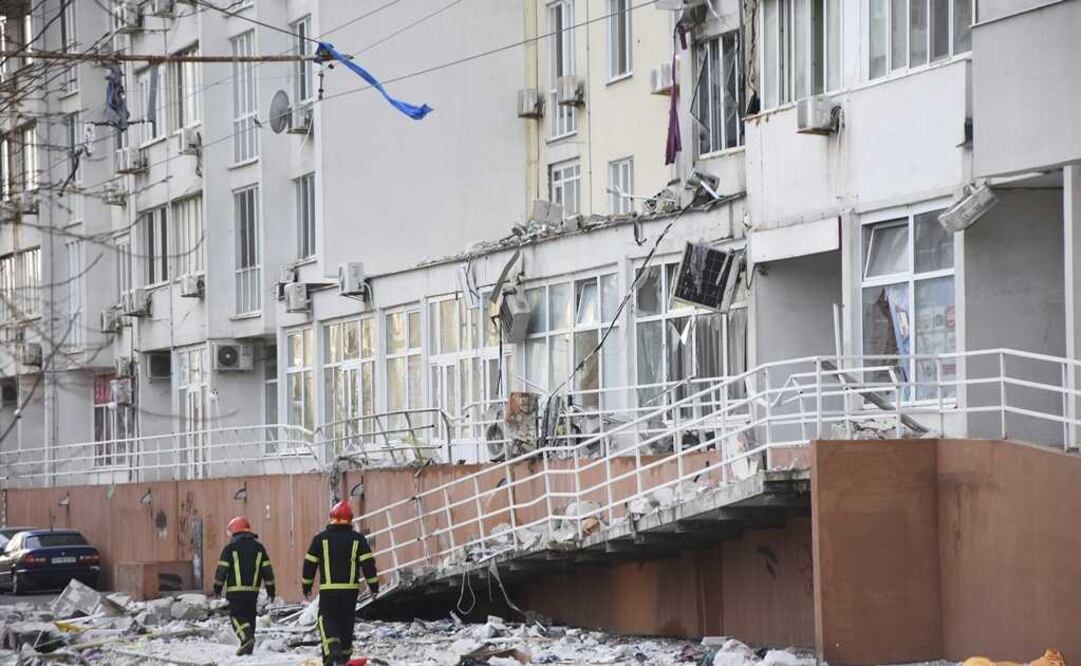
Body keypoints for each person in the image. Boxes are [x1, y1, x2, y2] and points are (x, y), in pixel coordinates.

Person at [302, 500, 379, 666]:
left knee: (326, 619)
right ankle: (344, 658)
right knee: (346, 622)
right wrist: (374, 586)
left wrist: (306, 585)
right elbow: (368, 565)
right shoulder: (358, 540)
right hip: (350, 591)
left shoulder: (320, 539)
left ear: (331, 518)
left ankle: (332, 648)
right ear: (350, 519)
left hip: (329, 590)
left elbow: (309, 564)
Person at [213, 516, 276, 656]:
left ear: (235, 532)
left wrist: (217, 588)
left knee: (237, 616)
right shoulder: (259, 548)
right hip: (252, 592)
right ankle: (247, 646)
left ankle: (247, 638)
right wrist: (271, 591)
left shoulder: (230, 549)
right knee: (249, 617)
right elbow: (268, 572)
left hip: (236, 592)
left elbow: (222, 570)